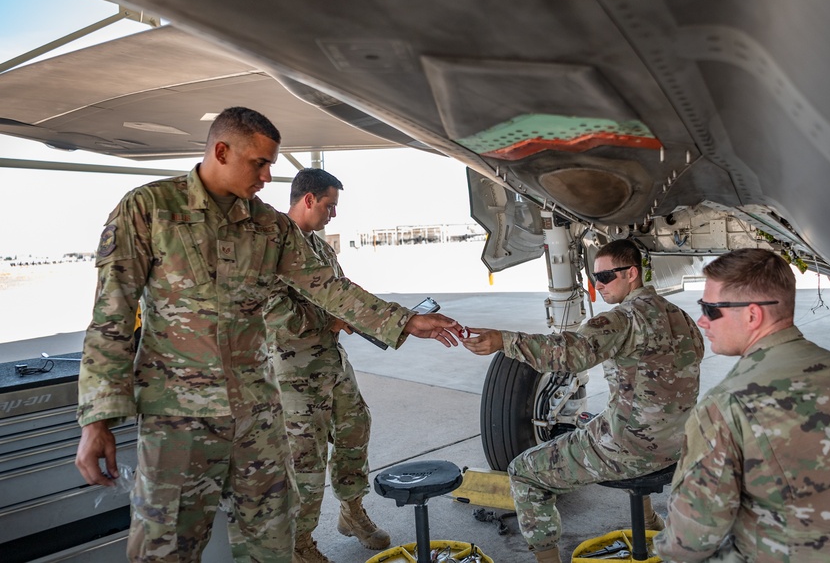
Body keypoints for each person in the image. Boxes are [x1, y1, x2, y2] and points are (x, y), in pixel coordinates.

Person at [74, 107, 463, 563]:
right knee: (165, 548)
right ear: (221, 151)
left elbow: (329, 288)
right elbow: (111, 316)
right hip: (178, 421)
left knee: (271, 544)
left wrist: (405, 321)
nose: (267, 176)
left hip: (258, 415)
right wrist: (97, 419)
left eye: (271, 164)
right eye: (259, 163)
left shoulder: (270, 227)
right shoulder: (149, 209)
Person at [653, 248, 830, 562]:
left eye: (710, 308)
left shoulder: (726, 405)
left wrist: (661, 547)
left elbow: (689, 541)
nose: (701, 320)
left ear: (752, 315)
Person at [462, 239, 704, 563]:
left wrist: (502, 341)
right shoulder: (682, 318)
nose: (597, 285)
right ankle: (650, 524)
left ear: (632, 273)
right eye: (594, 277)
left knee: (522, 471)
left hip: (632, 450)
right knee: (606, 421)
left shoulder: (621, 319)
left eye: (605, 277)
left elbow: (567, 354)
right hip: (679, 444)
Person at [264, 168, 388, 562]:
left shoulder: (320, 247)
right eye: (330, 206)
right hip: (295, 373)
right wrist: (329, 320)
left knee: (356, 430)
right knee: (306, 460)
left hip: (332, 363)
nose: (333, 215)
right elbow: (275, 315)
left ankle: (352, 511)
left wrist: (353, 317)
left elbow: (337, 293)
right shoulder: (273, 245)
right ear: (309, 199)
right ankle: (300, 544)